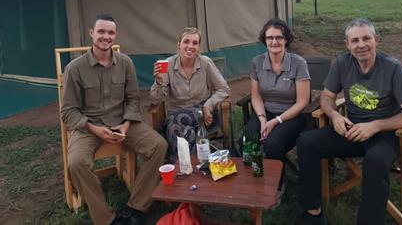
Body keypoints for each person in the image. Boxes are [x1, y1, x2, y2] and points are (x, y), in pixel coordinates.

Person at [296, 18, 402, 225]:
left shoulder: (393, 68)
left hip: (385, 134)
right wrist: (335, 115)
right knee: (306, 142)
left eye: (366, 38)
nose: (361, 45)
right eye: (355, 40)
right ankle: (313, 212)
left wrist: (375, 125)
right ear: (348, 45)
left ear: (376, 40)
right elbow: (327, 97)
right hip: (352, 129)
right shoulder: (341, 63)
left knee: (375, 160)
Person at [61, 14, 167, 225]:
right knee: (76, 163)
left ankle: (137, 208)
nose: (106, 37)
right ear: (91, 33)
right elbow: (68, 111)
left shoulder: (125, 63)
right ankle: (106, 219)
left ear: (115, 35)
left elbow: (133, 98)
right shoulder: (75, 68)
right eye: (101, 32)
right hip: (89, 127)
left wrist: (126, 125)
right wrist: (93, 128)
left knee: (159, 146)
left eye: (110, 32)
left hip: (123, 123)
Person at [150, 27, 231, 162]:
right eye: (186, 42)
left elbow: (224, 89)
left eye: (195, 43)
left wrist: (208, 105)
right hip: (177, 116)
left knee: (177, 127)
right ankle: (201, 165)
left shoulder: (205, 63)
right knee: (186, 130)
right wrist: (158, 81)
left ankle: (181, 169)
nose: (190, 46)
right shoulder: (168, 65)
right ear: (179, 45)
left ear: (199, 47)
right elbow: (155, 99)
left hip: (205, 116)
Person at [245, 19, 310, 170]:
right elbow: (256, 96)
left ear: (286, 39)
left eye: (279, 37)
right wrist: (262, 119)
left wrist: (276, 121)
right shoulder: (257, 62)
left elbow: (302, 102)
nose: (274, 42)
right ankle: (251, 179)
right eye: (270, 38)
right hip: (265, 112)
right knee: (248, 138)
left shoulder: (298, 63)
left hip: (291, 115)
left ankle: (278, 185)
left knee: (272, 145)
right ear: (264, 40)